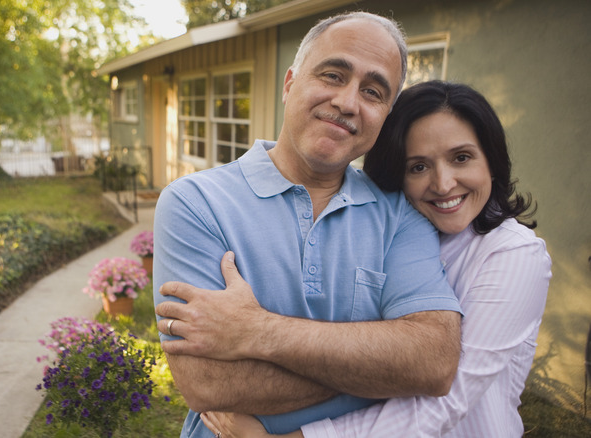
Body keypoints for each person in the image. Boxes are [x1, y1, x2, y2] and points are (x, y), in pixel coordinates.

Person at [152, 12, 464, 438]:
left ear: (385, 115)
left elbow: (432, 362)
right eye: (333, 75)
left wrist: (256, 331)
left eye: (373, 91)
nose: (348, 102)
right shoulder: (195, 203)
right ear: (288, 84)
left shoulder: (400, 214)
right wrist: (381, 372)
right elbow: (208, 384)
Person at [198, 81, 552, 437]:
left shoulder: (514, 254)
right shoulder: (392, 232)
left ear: (491, 160)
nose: (443, 184)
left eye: (461, 158)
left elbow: (446, 397)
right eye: (418, 167)